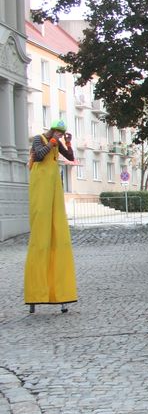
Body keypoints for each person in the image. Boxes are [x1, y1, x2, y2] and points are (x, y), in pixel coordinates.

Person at [24, 120, 78, 311]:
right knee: (40, 233)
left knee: (57, 231)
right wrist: (52, 143)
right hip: (41, 185)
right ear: (53, 130)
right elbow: (38, 156)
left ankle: (61, 293)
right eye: (59, 133)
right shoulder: (39, 139)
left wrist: (68, 143)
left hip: (53, 186)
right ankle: (36, 293)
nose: (60, 136)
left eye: (62, 134)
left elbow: (70, 157)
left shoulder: (58, 142)